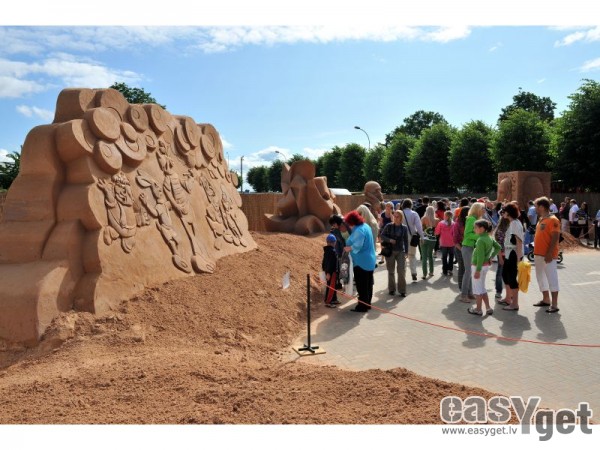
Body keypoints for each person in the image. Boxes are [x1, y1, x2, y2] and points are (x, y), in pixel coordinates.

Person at [343, 210, 377, 313]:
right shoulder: (366, 226)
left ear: (352, 222)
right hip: (370, 259)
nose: (349, 226)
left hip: (361, 262)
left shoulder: (358, 230)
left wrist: (348, 248)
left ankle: (362, 306)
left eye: (349, 224)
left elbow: (358, 245)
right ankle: (367, 304)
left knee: (361, 285)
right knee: (368, 284)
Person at [532, 197, 561, 313]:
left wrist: (549, 253)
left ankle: (554, 305)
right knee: (541, 278)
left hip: (548, 256)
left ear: (542, 207)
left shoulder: (553, 220)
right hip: (538, 254)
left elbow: (555, 237)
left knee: (552, 278)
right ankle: (546, 299)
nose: (535, 208)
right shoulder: (541, 219)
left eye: (536, 206)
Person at [467, 219, 501, 316]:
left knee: (478, 290)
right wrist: (491, 257)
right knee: (482, 288)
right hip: (485, 266)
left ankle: (478, 309)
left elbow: (480, 257)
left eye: (475, 228)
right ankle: (488, 308)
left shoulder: (481, 240)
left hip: (478, 267)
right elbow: (498, 247)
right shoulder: (489, 237)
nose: (474, 229)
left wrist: (477, 270)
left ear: (482, 228)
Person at [499, 203, 523, 311]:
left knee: (512, 278)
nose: (502, 213)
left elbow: (519, 241)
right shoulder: (513, 222)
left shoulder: (515, 223)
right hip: (510, 253)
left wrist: (518, 259)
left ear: (508, 212)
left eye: (504, 211)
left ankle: (515, 304)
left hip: (514, 254)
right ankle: (508, 298)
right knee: (505, 275)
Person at [460, 202, 485, 302]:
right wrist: (480, 236)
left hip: (470, 247)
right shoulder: (471, 219)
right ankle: (463, 295)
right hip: (467, 247)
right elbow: (467, 234)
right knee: (468, 272)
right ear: (477, 209)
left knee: (470, 271)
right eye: (482, 209)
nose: (484, 211)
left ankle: (470, 293)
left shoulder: (475, 219)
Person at [381, 210, 409, 296]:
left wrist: (406, 252)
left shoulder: (404, 228)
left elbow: (406, 240)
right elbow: (382, 235)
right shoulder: (389, 226)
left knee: (401, 271)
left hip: (400, 251)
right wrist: (389, 240)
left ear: (401, 218)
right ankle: (392, 289)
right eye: (395, 216)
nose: (396, 218)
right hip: (390, 251)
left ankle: (402, 290)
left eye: (398, 217)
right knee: (391, 271)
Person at [401, 198, 424, 282]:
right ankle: (413, 272)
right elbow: (419, 227)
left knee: (402, 256)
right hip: (412, 237)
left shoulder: (400, 213)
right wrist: (422, 237)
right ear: (411, 205)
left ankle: (402, 274)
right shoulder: (414, 213)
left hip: (401, 237)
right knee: (412, 255)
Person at [493, 215, 510, 301]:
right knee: (500, 273)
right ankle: (498, 291)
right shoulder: (500, 231)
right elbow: (498, 246)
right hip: (503, 254)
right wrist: (500, 257)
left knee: (507, 273)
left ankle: (508, 293)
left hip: (509, 254)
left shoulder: (509, 229)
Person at [322, 234, 340, 308]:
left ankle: (334, 299)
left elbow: (324, 263)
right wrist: (328, 273)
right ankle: (328, 301)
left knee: (333, 286)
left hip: (331, 271)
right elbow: (329, 263)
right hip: (331, 272)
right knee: (331, 287)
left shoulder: (327, 251)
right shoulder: (331, 251)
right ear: (334, 242)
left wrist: (325, 270)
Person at [454, 206, 469, 292]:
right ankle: (461, 286)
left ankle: (465, 286)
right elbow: (455, 240)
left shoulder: (470, 222)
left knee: (467, 268)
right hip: (460, 247)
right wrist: (461, 249)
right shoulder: (458, 223)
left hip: (468, 247)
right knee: (462, 267)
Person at [421, 205, 439, 279]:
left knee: (424, 257)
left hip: (424, 238)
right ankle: (431, 272)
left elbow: (420, 229)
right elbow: (437, 232)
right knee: (430, 255)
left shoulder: (423, 218)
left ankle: (424, 274)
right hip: (433, 240)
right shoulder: (437, 220)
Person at [435, 210, 455, 276]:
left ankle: (445, 270)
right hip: (452, 242)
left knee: (444, 256)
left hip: (443, 242)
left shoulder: (441, 223)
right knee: (451, 256)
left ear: (445, 216)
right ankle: (450, 269)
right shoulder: (454, 224)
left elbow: (437, 232)